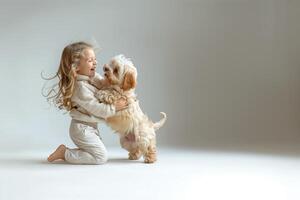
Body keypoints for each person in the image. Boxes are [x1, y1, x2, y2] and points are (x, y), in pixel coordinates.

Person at [46, 41, 127, 164]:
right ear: (76, 67)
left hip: (90, 127)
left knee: (95, 152)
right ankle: (65, 153)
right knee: (100, 157)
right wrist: (115, 107)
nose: (95, 62)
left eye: (95, 59)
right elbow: (97, 109)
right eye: (90, 60)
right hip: (81, 129)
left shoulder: (91, 78)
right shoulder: (80, 88)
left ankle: (75, 152)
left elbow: (104, 84)